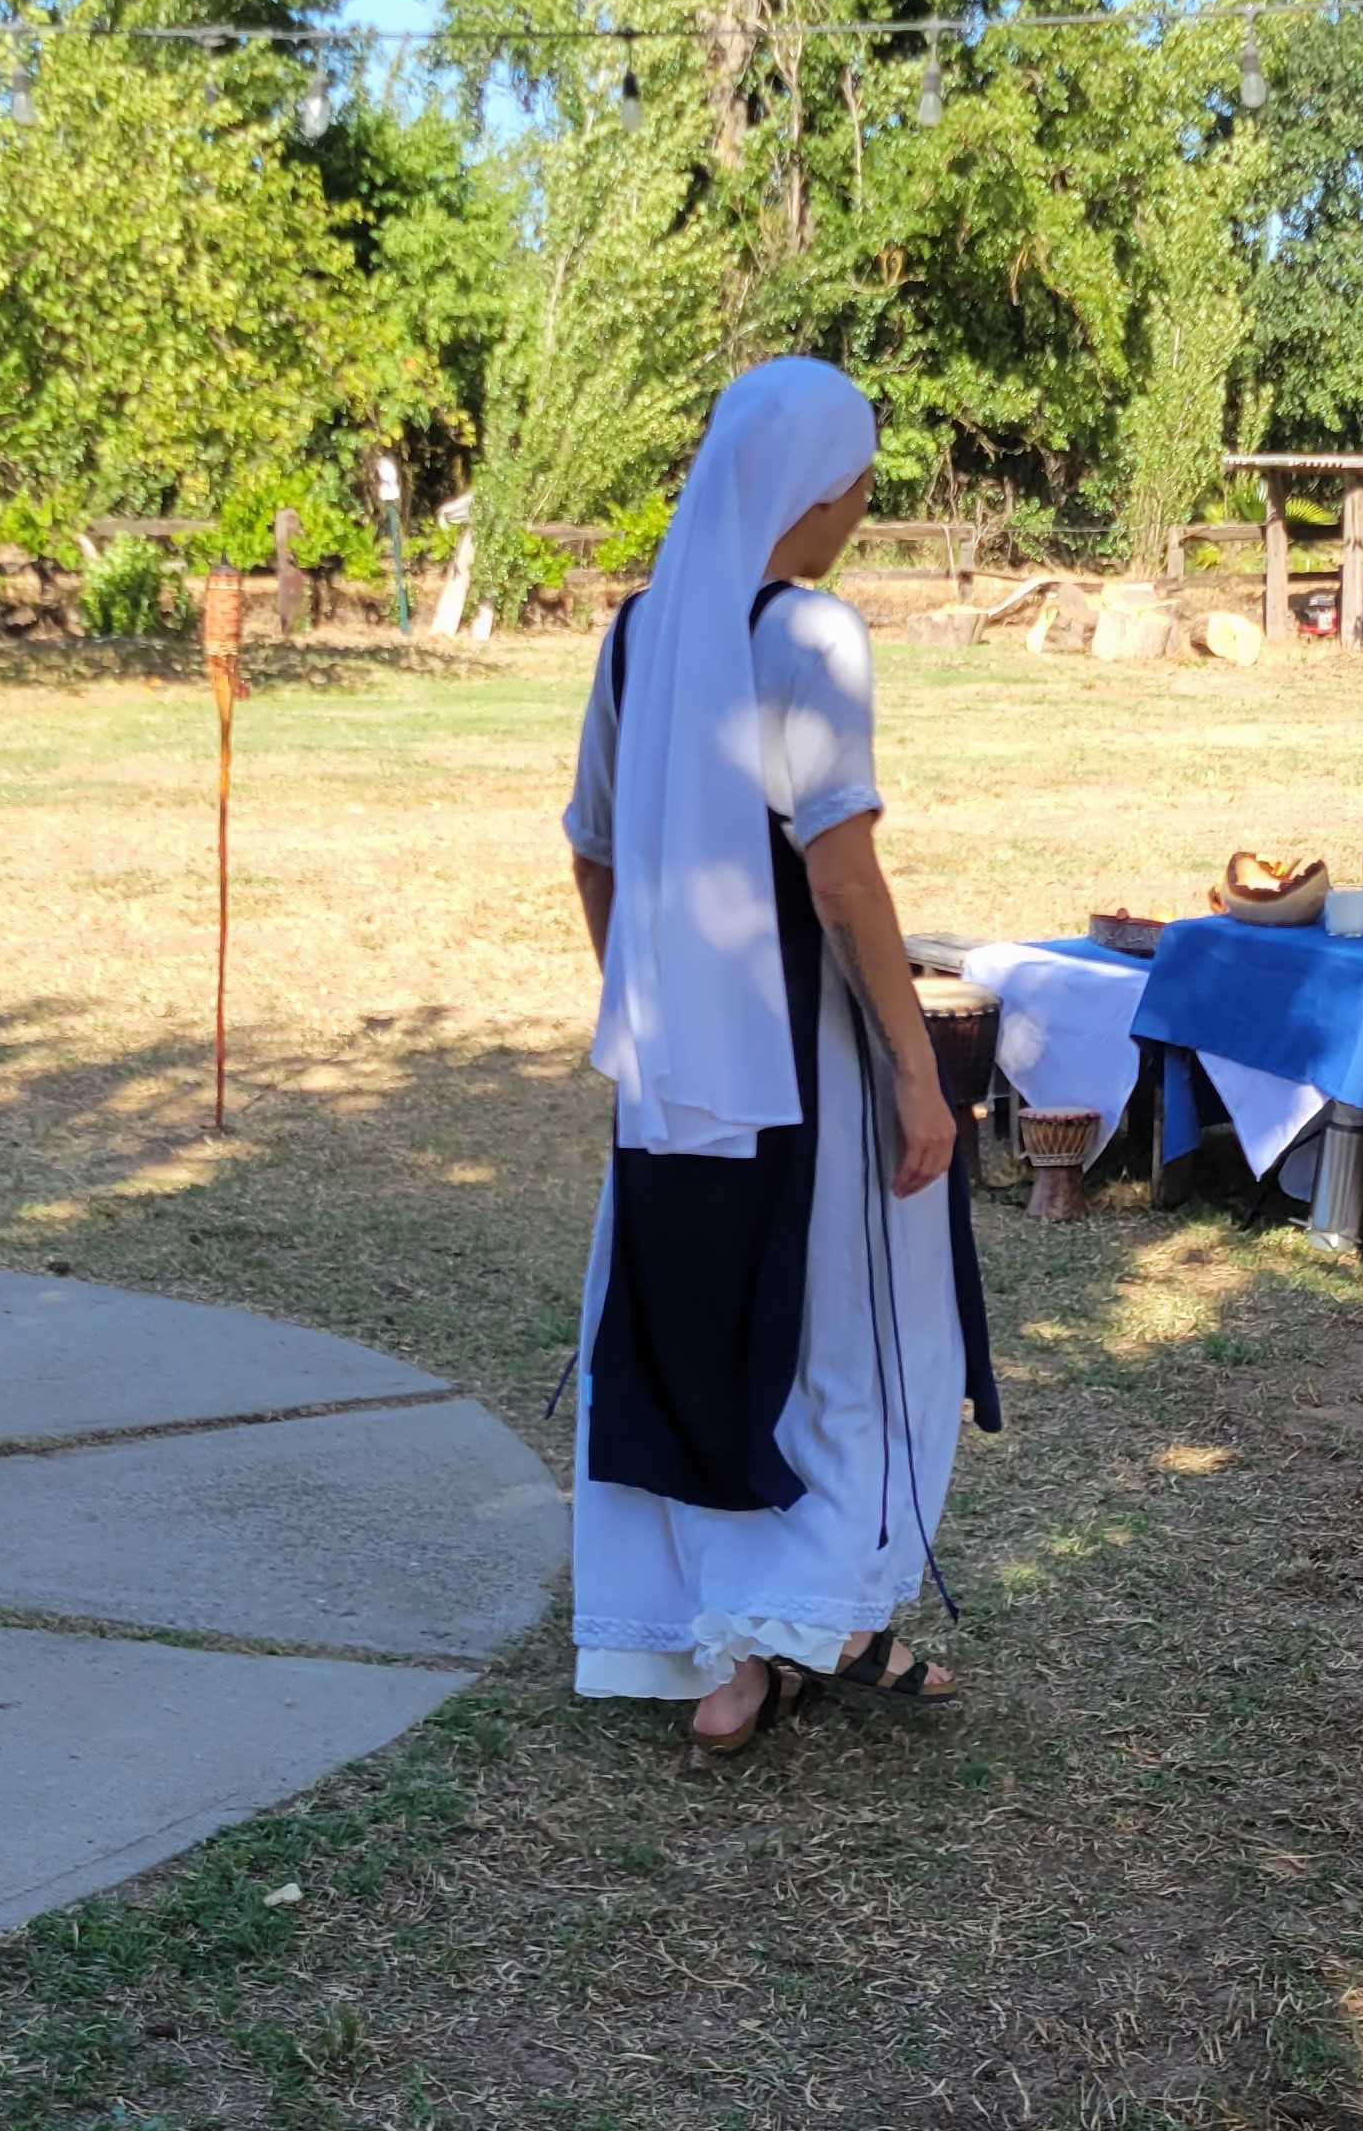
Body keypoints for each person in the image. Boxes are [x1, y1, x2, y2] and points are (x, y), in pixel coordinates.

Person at [562, 356, 999, 1752]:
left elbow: (593, 850)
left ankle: (725, 1659)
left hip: (670, 1066)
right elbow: (843, 878)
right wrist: (918, 1067)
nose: (866, 500)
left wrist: (656, 997)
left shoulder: (636, 635)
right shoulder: (806, 634)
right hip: (802, 1053)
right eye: (862, 473)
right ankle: (821, 1611)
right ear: (821, 486)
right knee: (851, 1333)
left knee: (682, 1323)